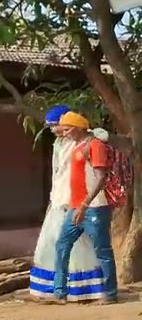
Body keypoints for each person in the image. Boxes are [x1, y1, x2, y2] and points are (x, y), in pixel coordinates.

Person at [30, 106, 105, 302]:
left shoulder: (82, 141)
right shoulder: (58, 144)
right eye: (55, 127)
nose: (56, 130)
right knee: (54, 245)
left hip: (77, 201)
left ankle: (86, 290)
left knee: (83, 247)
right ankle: (54, 289)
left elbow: (99, 136)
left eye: (59, 126)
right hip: (59, 199)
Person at [53, 110, 117, 304]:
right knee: (62, 245)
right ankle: (60, 292)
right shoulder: (77, 146)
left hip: (94, 208)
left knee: (102, 250)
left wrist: (84, 204)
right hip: (76, 207)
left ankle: (111, 294)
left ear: (77, 128)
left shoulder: (95, 146)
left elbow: (100, 179)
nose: (63, 133)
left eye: (66, 129)